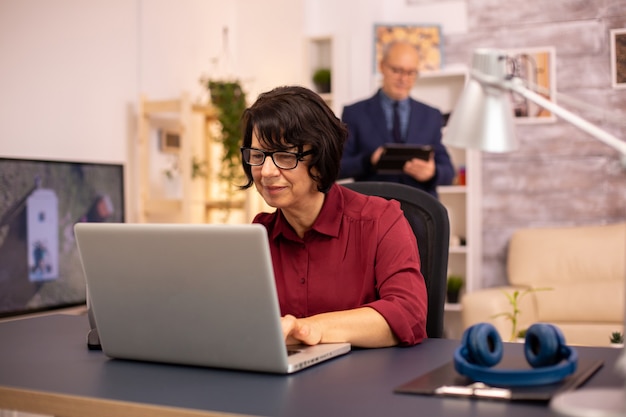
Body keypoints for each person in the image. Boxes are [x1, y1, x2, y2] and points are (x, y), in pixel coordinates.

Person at [239, 85, 427, 348]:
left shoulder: (382, 220)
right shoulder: (259, 235)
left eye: (284, 156)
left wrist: (311, 328)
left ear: (320, 156)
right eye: (257, 156)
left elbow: (409, 315)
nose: (266, 171)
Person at [339, 41, 455, 197]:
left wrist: (432, 173)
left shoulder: (431, 115)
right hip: (372, 209)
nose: (403, 79)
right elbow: (337, 168)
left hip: (420, 210)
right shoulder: (355, 113)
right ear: (382, 66)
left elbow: (449, 172)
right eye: (396, 70)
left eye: (411, 72)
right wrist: (369, 161)